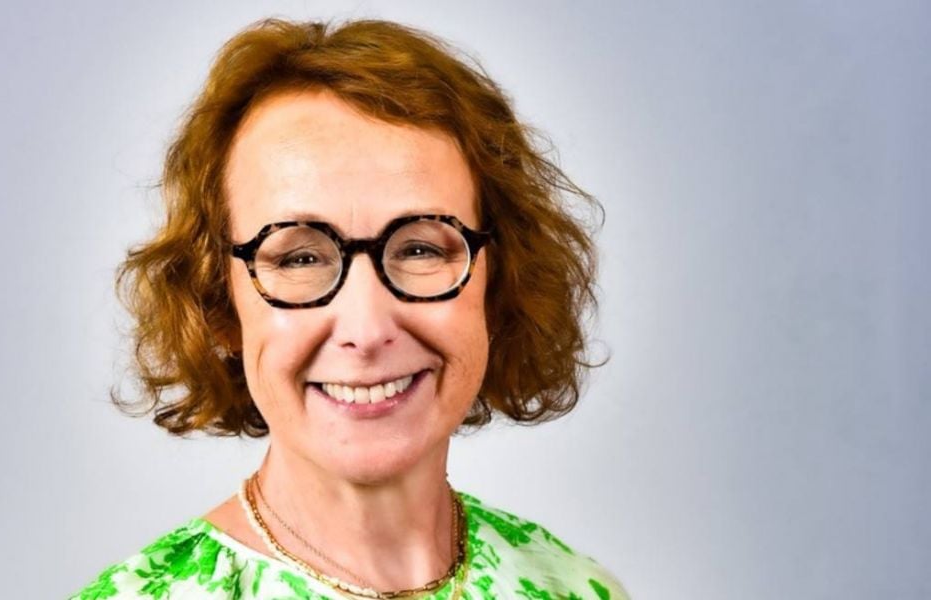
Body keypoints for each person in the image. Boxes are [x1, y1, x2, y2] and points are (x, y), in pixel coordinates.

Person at [71, 17, 629, 600]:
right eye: (298, 259)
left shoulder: (575, 588)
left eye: (419, 248)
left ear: (498, 281)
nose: (366, 330)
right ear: (219, 305)